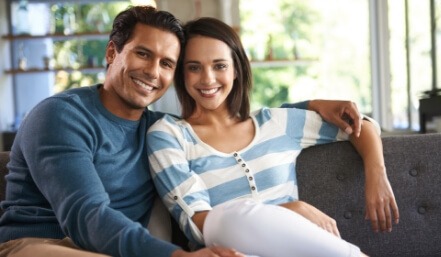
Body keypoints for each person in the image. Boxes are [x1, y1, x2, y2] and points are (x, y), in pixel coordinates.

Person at [0, 5, 370, 257]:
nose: (153, 72)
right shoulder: (61, 116)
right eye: (143, 54)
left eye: (166, 63)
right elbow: (86, 215)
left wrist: (314, 105)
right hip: (45, 244)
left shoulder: (154, 130)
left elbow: (253, 127)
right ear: (113, 52)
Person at [146, 17, 399, 257]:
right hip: (227, 251)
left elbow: (359, 125)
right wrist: (290, 210)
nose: (208, 78)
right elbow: (201, 223)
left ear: (236, 70)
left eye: (220, 65)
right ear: (182, 74)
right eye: (194, 68)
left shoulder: (275, 123)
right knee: (224, 218)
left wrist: (376, 175)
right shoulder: (169, 135)